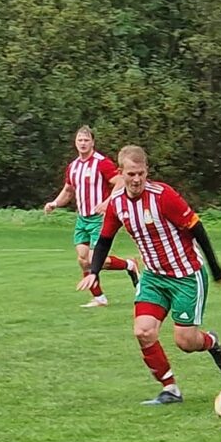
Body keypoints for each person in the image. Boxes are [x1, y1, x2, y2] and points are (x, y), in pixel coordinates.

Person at [80, 145, 221, 405]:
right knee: (143, 332)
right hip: (153, 277)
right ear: (120, 173)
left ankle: (211, 341)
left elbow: (197, 228)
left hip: (185, 276)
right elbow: (104, 239)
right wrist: (94, 272)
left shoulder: (163, 196)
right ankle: (170, 389)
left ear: (147, 171)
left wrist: (214, 267)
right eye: (131, 174)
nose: (136, 179)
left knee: (185, 341)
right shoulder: (117, 204)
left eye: (141, 173)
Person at [44, 126, 139, 307]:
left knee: (95, 259)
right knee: (82, 259)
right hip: (82, 218)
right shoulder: (72, 167)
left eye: (86, 140)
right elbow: (68, 190)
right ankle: (99, 298)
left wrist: (108, 202)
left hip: (99, 218)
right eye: (80, 140)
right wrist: (55, 203)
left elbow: (120, 181)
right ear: (75, 142)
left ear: (93, 142)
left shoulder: (101, 162)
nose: (83, 143)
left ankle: (130, 265)